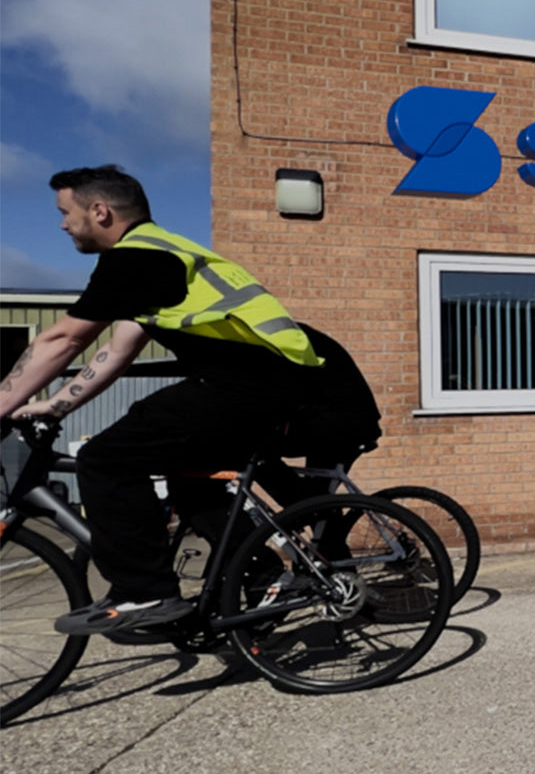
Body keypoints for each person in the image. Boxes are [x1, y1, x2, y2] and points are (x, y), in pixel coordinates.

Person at [0, 165, 380, 634]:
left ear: (99, 211)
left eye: (66, 212)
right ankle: (259, 574)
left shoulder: (138, 257)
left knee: (105, 459)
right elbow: (116, 351)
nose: (62, 224)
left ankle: (145, 593)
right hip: (257, 385)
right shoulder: (161, 258)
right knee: (189, 479)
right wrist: (56, 405)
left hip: (253, 384)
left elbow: (62, 340)